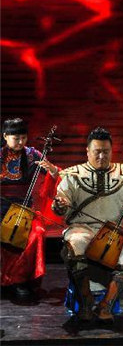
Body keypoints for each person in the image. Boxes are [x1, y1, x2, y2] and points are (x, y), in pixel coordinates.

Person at [53, 127, 123, 322]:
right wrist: (60, 204)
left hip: (113, 231)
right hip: (81, 228)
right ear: (87, 151)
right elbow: (61, 202)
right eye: (97, 151)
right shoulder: (72, 175)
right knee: (76, 243)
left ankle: (105, 305)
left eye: (106, 152)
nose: (101, 156)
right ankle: (86, 300)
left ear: (111, 151)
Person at [1, 118, 60, 299]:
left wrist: (52, 171)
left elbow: (53, 176)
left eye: (23, 138)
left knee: (37, 231)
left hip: (23, 208)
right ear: (5, 136)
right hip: (1, 207)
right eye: (16, 138)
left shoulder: (33, 154)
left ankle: (20, 281)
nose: (20, 142)